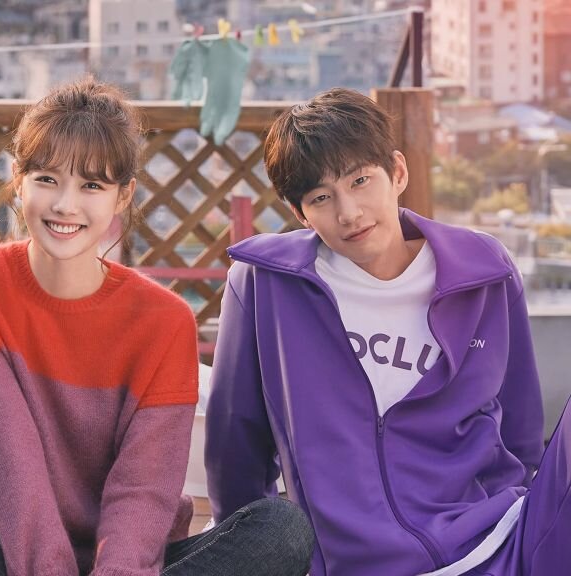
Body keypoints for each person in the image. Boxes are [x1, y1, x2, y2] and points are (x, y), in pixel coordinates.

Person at [0, 79, 314, 576]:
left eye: (92, 186)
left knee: (282, 528)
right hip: (9, 551)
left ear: (124, 196)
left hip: (136, 560)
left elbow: (143, 487)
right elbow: (13, 465)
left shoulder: (165, 320)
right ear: (18, 179)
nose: (66, 205)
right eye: (47, 179)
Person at [205, 87, 571, 576]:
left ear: (397, 172)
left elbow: (520, 430)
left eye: (361, 181)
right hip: (358, 562)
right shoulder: (262, 285)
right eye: (321, 197)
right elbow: (236, 447)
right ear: (300, 213)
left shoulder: (484, 269)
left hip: (497, 543)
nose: (349, 212)